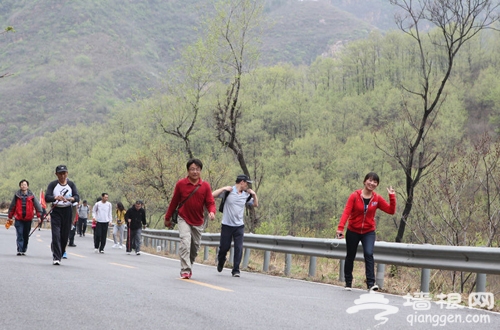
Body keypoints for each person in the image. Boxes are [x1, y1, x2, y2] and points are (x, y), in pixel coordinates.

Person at [336, 172, 396, 292]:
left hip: (368, 231)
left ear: (377, 185)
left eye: (375, 182)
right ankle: (348, 282)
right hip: (353, 230)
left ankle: (370, 284)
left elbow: (390, 211)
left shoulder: (377, 198)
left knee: (368, 254)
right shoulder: (354, 196)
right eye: (370, 180)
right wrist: (340, 228)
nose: (372, 183)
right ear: (364, 181)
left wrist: (392, 197)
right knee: (350, 256)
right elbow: (346, 212)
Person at [164, 159, 216, 279]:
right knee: (185, 242)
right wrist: (168, 218)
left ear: (200, 171)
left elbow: (210, 202)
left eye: (197, 169)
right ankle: (185, 270)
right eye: (192, 169)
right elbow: (174, 202)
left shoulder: (205, 186)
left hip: (198, 221)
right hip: (184, 218)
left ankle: (189, 265)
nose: (195, 171)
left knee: (194, 248)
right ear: (188, 171)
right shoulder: (181, 184)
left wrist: (212, 212)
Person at [212, 174, 258, 277]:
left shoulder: (246, 195)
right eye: (247, 183)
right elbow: (212, 195)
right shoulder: (228, 192)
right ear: (242, 182)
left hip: (239, 226)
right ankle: (221, 259)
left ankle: (236, 270)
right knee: (224, 247)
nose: (247, 186)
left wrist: (254, 195)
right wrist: (223, 188)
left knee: (239, 247)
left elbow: (255, 204)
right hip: (227, 225)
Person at [45, 165, 79, 265]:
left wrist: (71, 199)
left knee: (64, 236)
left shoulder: (71, 184)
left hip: (67, 211)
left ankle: (60, 249)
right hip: (56, 211)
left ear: (67, 173)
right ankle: (56, 257)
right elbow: (47, 197)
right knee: (56, 234)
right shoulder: (53, 184)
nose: (62, 176)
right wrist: (56, 197)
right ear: (56, 174)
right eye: (60, 174)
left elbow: (77, 197)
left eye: (64, 173)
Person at [7, 179, 44, 256]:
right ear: (20, 186)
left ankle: (24, 248)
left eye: (25, 185)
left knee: (26, 235)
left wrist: (39, 216)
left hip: (28, 218)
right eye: (22, 185)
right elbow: (12, 206)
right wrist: (10, 216)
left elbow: (38, 207)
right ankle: (20, 249)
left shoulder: (32, 196)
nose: (23, 186)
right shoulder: (17, 195)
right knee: (19, 233)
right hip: (18, 218)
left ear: (27, 186)